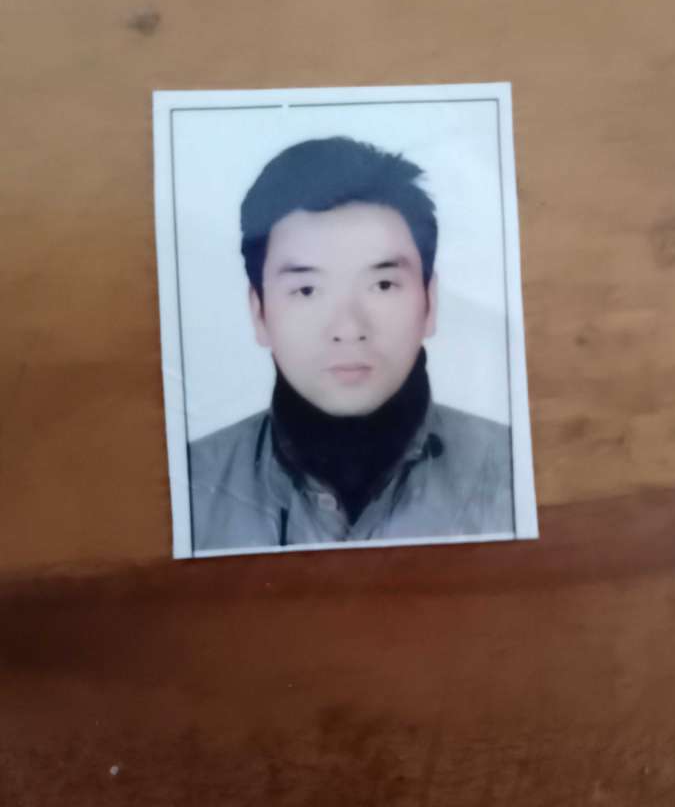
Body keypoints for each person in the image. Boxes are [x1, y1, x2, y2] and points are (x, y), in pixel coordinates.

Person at [189, 136, 513, 551]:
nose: (348, 328)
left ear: (430, 303)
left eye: (382, 285)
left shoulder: (514, 468)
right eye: (307, 290)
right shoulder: (191, 482)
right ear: (259, 313)